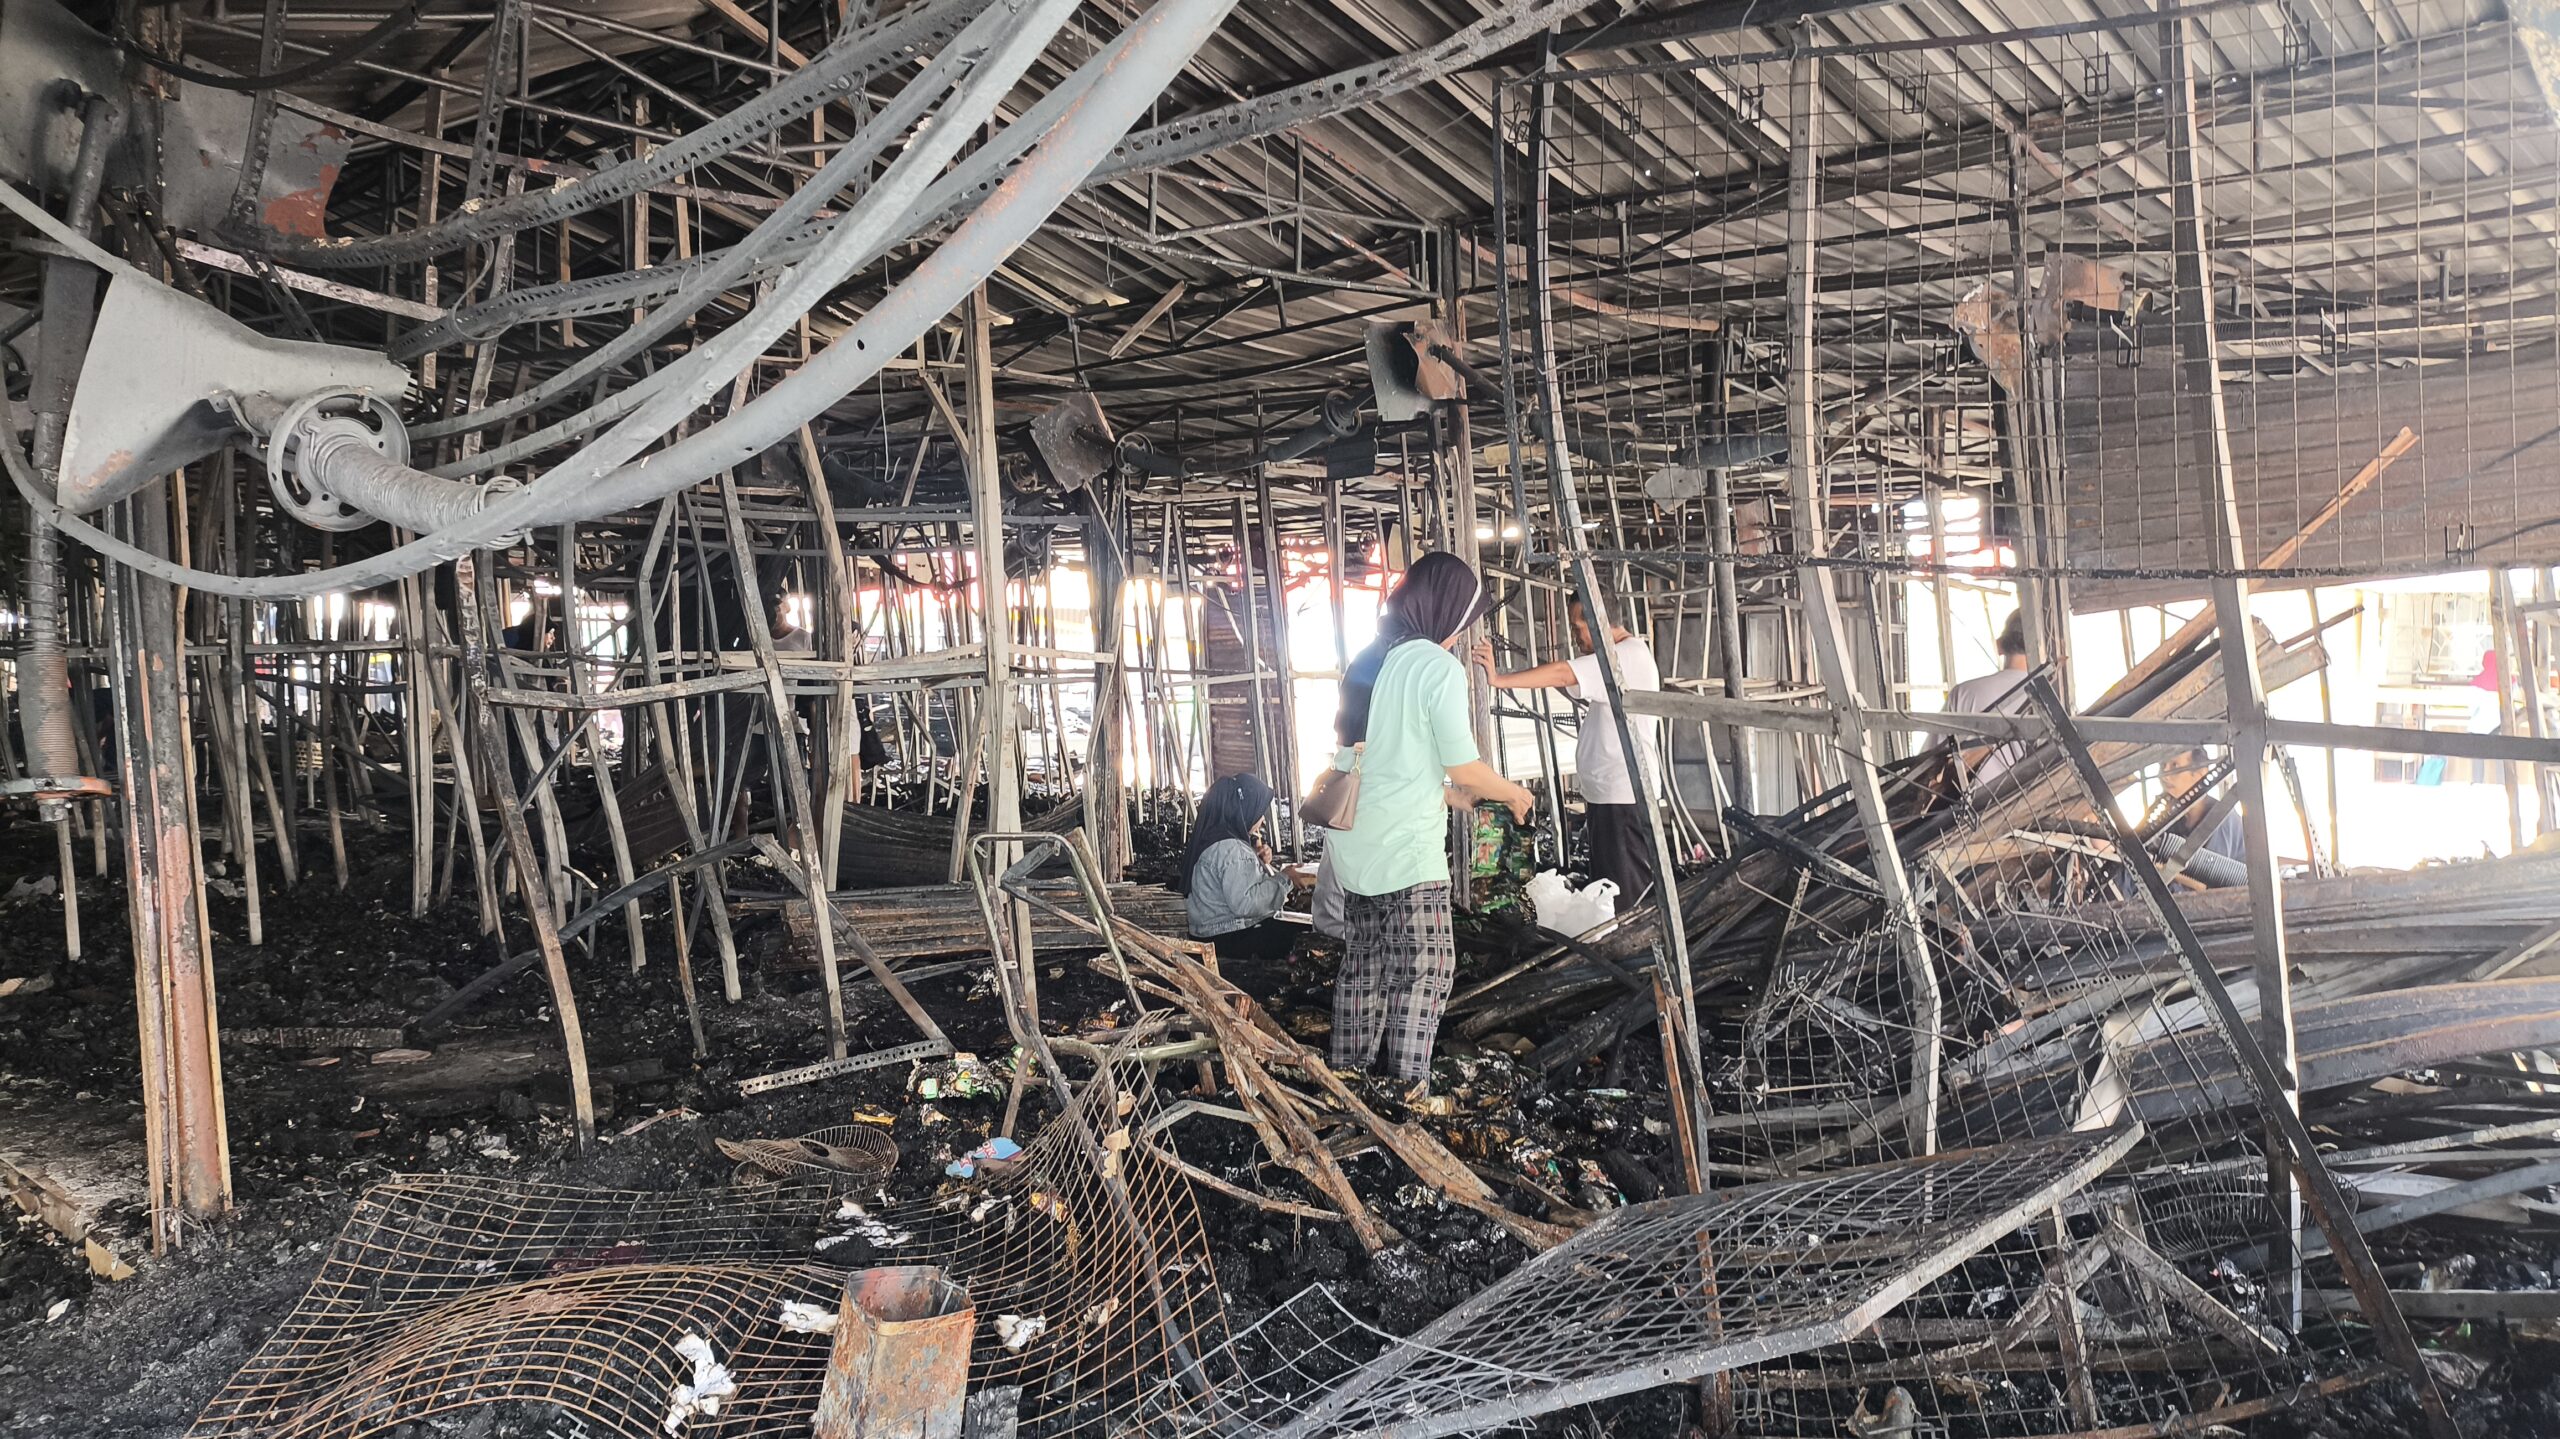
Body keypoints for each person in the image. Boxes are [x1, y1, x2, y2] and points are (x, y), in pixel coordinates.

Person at [1323, 551, 1536, 1094]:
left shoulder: (1368, 659)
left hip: (1352, 840)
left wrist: (1447, 798)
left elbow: (1374, 758)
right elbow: (1463, 764)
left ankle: (1350, 1078)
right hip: (1405, 853)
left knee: (1365, 965)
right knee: (1428, 969)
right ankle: (1405, 1087)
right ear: (1443, 612)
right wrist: (1513, 793)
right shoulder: (1436, 667)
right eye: (1460, 626)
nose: (1457, 639)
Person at [1473, 595, 1664, 904]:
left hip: (1624, 797)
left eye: (1578, 628)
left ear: (1597, 621)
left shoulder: (1626, 656)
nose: (1575, 638)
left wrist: (1499, 680)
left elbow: (1564, 673)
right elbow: (1570, 680)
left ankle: (1632, 951)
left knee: (1625, 897)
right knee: (1609, 891)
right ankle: (1616, 947)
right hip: (1610, 796)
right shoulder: (1616, 658)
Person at [1173, 772, 1304, 962]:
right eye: (1260, 813)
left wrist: (1255, 858)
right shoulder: (1233, 849)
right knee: (1297, 936)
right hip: (1225, 938)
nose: (1263, 821)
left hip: (1208, 932)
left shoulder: (1217, 838)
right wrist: (1285, 878)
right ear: (1245, 810)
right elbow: (1247, 904)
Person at [1948, 608, 2033, 782]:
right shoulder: (2050, 703)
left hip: (1966, 807)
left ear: (2000, 645)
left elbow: (1931, 770)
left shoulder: (1964, 694)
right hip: (2032, 806)